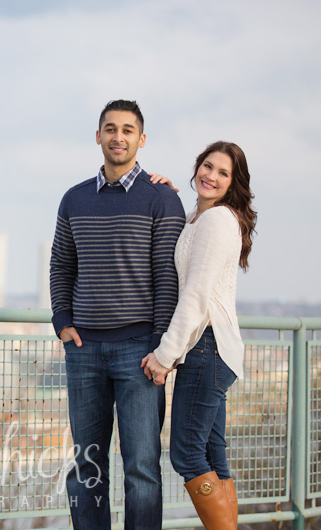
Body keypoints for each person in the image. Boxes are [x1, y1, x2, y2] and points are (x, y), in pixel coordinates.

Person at [50, 99, 186, 530]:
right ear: (98, 136)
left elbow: (168, 277)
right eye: (110, 128)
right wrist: (62, 320)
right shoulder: (74, 199)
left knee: (142, 469)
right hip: (84, 348)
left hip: (139, 351)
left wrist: (161, 344)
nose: (118, 136)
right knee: (86, 465)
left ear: (140, 139)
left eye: (128, 130)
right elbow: (61, 264)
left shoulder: (161, 198)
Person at [141, 141, 257, 530]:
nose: (211, 176)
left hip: (207, 346)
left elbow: (196, 293)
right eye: (207, 166)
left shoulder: (217, 220)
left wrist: (165, 353)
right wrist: (165, 192)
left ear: (233, 182)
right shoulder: (200, 217)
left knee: (187, 455)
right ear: (197, 167)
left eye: (223, 173)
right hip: (214, 349)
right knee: (212, 453)